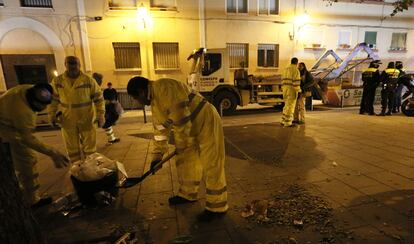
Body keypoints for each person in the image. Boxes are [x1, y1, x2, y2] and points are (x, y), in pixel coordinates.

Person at [127, 76, 228, 222]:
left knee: (212, 162)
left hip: (205, 120)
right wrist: (157, 157)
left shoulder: (165, 87)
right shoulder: (155, 103)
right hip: (189, 127)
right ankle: (187, 194)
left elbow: (181, 119)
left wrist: (182, 144)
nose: (138, 102)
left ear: (141, 92)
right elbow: (160, 132)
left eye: (136, 98)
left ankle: (217, 207)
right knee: (186, 160)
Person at [0, 83, 69, 208]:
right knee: (27, 162)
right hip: (7, 131)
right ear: (32, 99)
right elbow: (28, 139)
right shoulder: (22, 112)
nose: (42, 108)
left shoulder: (27, 90)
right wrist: (53, 152)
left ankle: (25, 196)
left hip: (8, 122)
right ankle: (31, 201)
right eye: (39, 106)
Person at [49, 56, 105, 163]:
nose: (72, 66)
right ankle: (77, 169)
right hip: (67, 120)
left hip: (87, 119)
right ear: (65, 65)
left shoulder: (88, 81)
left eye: (75, 64)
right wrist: (51, 115)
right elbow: (53, 100)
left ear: (79, 65)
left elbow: (99, 99)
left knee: (90, 149)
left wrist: (101, 114)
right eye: (70, 63)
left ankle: (92, 169)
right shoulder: (58, 81)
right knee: (72, 149)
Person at [281, 57, 301, 127]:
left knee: (286, 105)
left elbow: (282, 79)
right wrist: (299, 91)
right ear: (296, 62)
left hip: (285, 89)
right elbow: (296, 82)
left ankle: (283, 120)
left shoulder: (286, 69)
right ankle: (288, 122)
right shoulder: (296, 70)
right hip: (292, 89)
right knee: (291, 106)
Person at [100, 78, 121, 143]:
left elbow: (116, 95)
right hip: (107, 106)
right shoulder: (105, 91)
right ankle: (111, 138)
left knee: (111, 119)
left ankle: (111, 138)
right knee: (109, 120)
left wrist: (115, 101)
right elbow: (103, 98)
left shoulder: (113, 90)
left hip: (111, 105)